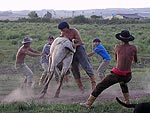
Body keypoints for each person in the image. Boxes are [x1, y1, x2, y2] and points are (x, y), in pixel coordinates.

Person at [80, 30, 137, 108]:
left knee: (100, 86)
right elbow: (135, 60)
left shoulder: (117, 47)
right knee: (123, 83)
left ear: (120, 39)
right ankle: (127, 101)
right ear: (129, 39)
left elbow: (117, 58)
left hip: (118, 74)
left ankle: (88, 103)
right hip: (128, 75)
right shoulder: (134, 48)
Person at [57, 21, 96, 93]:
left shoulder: (74, 31)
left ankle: (94, 84)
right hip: (71, 51)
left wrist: (75, 45)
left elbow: (80, 42)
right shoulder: (63, 34)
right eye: (61, 30)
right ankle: (81, 88)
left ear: (66, 27)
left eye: (62, 29)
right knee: (74, 68)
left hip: (79, 49)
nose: (61, 31)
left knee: (85, 65)